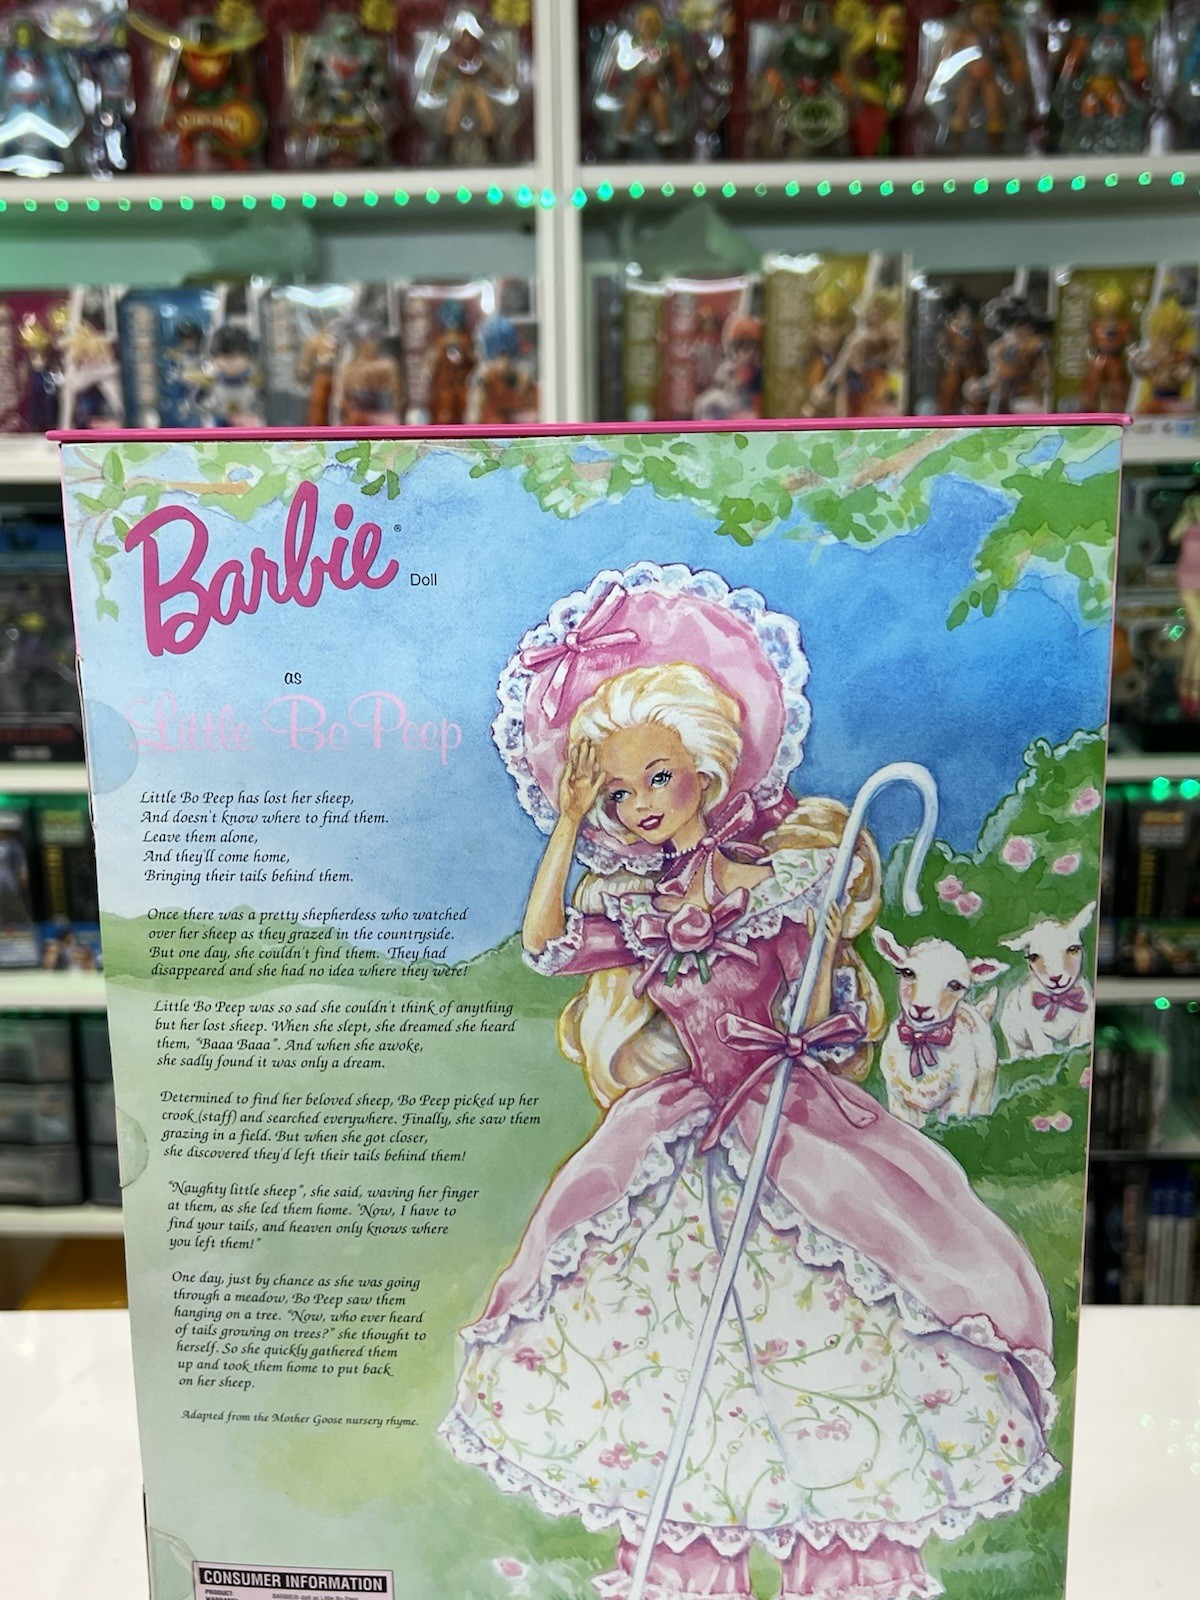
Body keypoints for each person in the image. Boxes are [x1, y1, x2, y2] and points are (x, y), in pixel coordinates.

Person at [441, 564, 1059, 1600]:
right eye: (618, 791)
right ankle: (693, 1559)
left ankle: (841, 1559)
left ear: (708, 768)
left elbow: (823, 988)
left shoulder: (786, 878)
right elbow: (545, 945)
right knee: (679, 1337)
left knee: (828, 1320)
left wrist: (817, 1012)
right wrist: (568, 824)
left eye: (658, 777)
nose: (640, 805)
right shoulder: (634, 904)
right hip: (684, 1135)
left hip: (800, 1128)